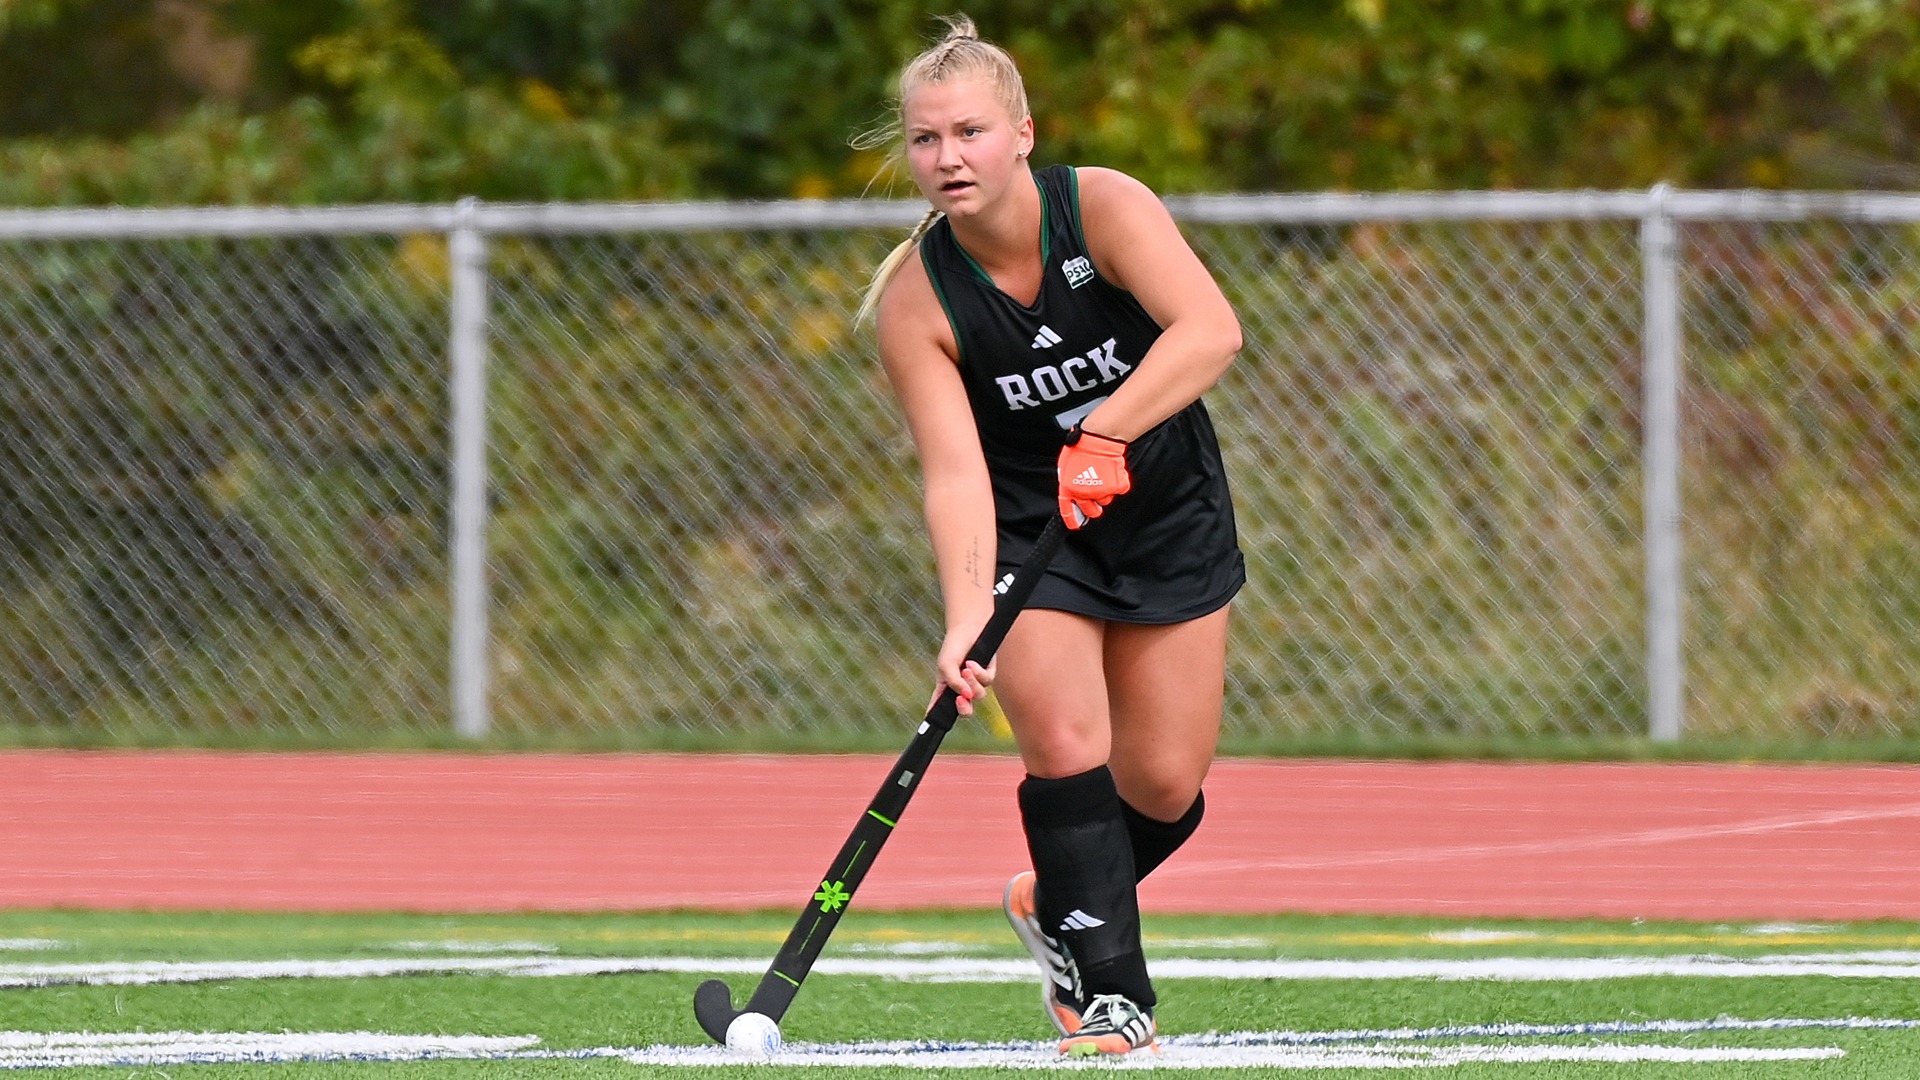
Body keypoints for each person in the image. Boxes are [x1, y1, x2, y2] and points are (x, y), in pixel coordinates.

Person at [858, 14, 1246, 1059]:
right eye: (926, 139)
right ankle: (1117, 1000)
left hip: (1164, 513)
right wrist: (965, 617)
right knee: (1070, 749)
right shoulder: (918, 302)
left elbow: (1210, 330)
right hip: (1039, 536)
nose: (948, 157)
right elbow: (955, 474)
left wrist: (1106, 431)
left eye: (970, 132)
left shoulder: (1105, 208)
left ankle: (1053, 901)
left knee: (1164, 787)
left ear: (1023, 133)